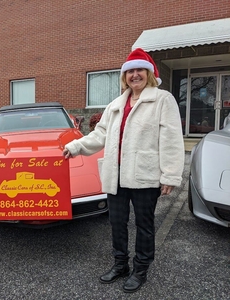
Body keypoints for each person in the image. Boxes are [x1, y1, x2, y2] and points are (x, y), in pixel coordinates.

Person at [63, 48, 184, 293]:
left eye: (139, 70)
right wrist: (76, 146)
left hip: (144, 174)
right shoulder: (116, 104)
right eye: (130, 71)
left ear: (149, 74)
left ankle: (141, 269)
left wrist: (170, 174)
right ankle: (120, 265)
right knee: (117, 222)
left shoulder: (162, 99)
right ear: (124, 77)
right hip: (115, 174)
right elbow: (101, 134)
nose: (134, 75)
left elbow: (171, 138)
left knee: (144, 224)